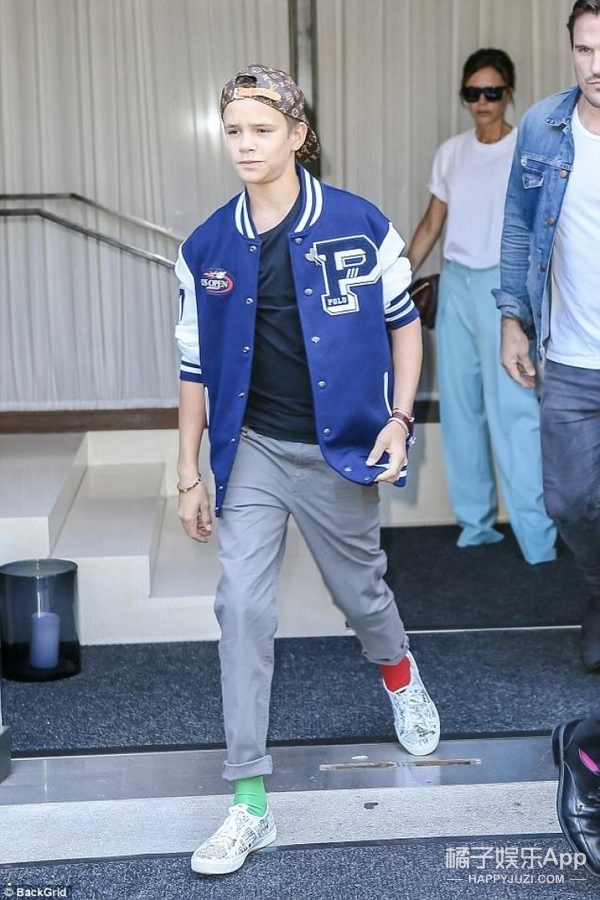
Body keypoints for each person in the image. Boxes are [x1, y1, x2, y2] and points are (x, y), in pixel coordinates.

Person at [174, 64, 440, 876]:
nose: (245, 145)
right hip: (252, 448)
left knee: (361, 595)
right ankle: (249, 803)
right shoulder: (205, 246)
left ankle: (399, 672)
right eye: (233, 131)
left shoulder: (359, 224)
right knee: (242, 608)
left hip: (339, 448)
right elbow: (193, 368)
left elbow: (403, 325)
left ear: (297, 135)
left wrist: (399, 418)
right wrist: (188, 471)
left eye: (262, 130)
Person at [494, 0, 600, 877]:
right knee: (568, 502)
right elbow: (520, 225)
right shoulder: (543, 127)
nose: (598, 65)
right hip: (568, 358)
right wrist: (510, 318)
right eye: (587, 49)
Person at [407, 49, 557, 565]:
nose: (483, 101)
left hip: (507, 289)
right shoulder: (451, 152)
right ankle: (475, 528)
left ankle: (538, 539)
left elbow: (547, 225)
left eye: (492, 91)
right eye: (473, 92)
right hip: (456, 285)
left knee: (515, 412)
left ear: (509, 92)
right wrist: (394, 282)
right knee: (460, 410)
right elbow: (432, 224)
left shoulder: (529, 149)